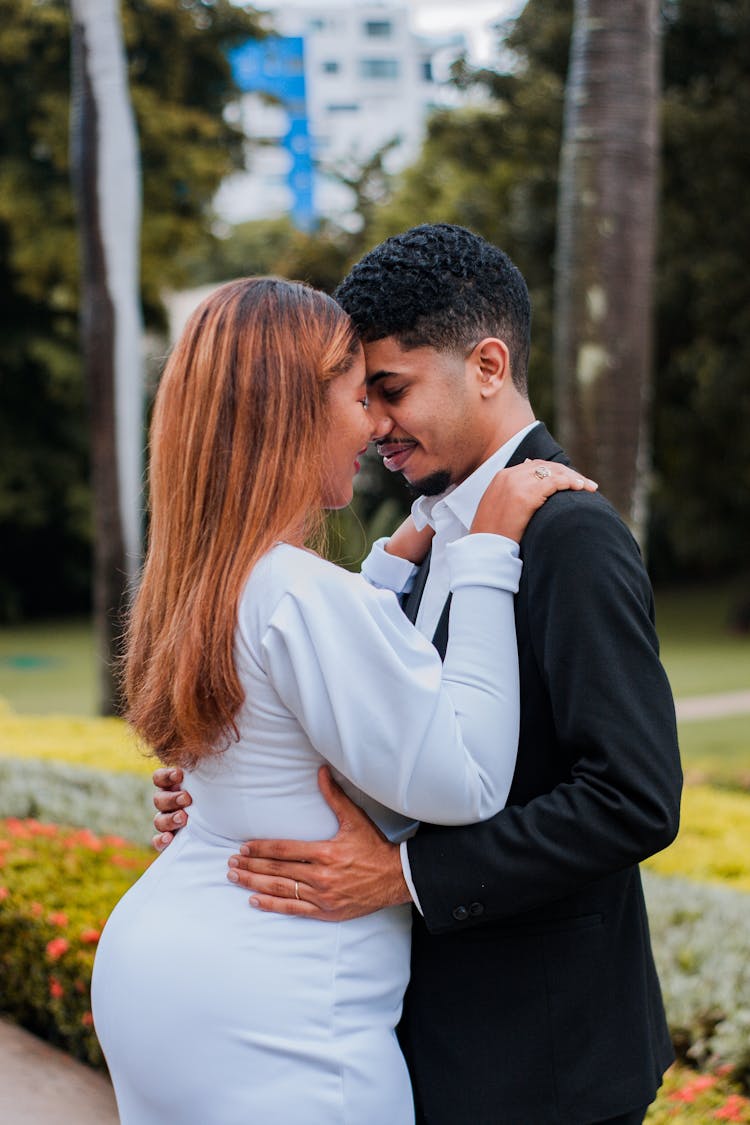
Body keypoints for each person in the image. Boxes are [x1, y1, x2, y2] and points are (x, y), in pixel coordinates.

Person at [154, 225, 683, 1125]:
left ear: (486, 364)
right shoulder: (425, 536)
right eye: (361, 394)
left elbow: (633, 796)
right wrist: (234, 796)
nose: (371, 422)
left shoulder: (569, 534)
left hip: (541, 1059)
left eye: (389, 390)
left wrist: (405, 877)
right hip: (421, 1042)